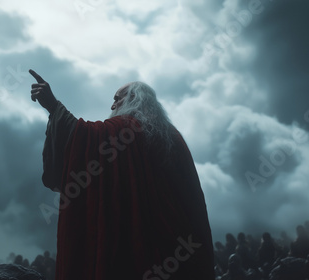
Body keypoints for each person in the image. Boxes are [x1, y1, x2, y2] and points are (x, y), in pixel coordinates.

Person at [29, 70, 214, 280]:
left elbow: (89, 139)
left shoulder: (128, 129)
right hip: (177, 251)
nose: (112, 105)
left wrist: (53, 106)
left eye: (117, 98)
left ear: (134, 98)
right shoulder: (174, 137)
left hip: (138, 247)